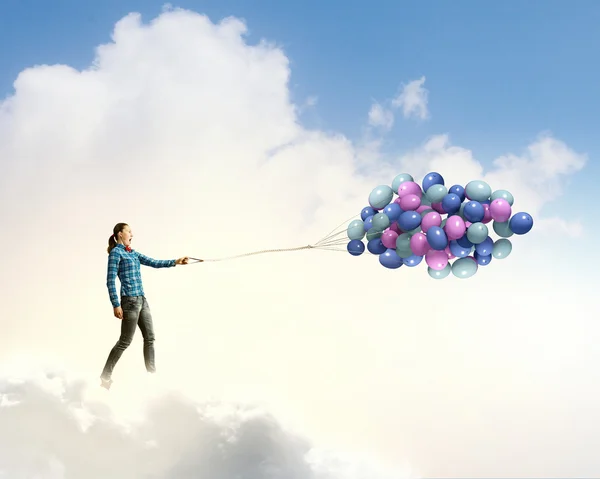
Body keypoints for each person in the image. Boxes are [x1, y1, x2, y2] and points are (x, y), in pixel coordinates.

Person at [100, 222, 195, 390]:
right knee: (125, 341)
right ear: (120, 234)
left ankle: (152, 375)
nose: (132, 234)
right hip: (128, 302)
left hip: (142, 300)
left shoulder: (134, 253)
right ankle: (105, 376)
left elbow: (154, 262)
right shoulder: (115, 253)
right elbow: (109, 281)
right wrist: (116, 305)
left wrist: (176, 261)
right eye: (129, 231)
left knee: (150, 337)